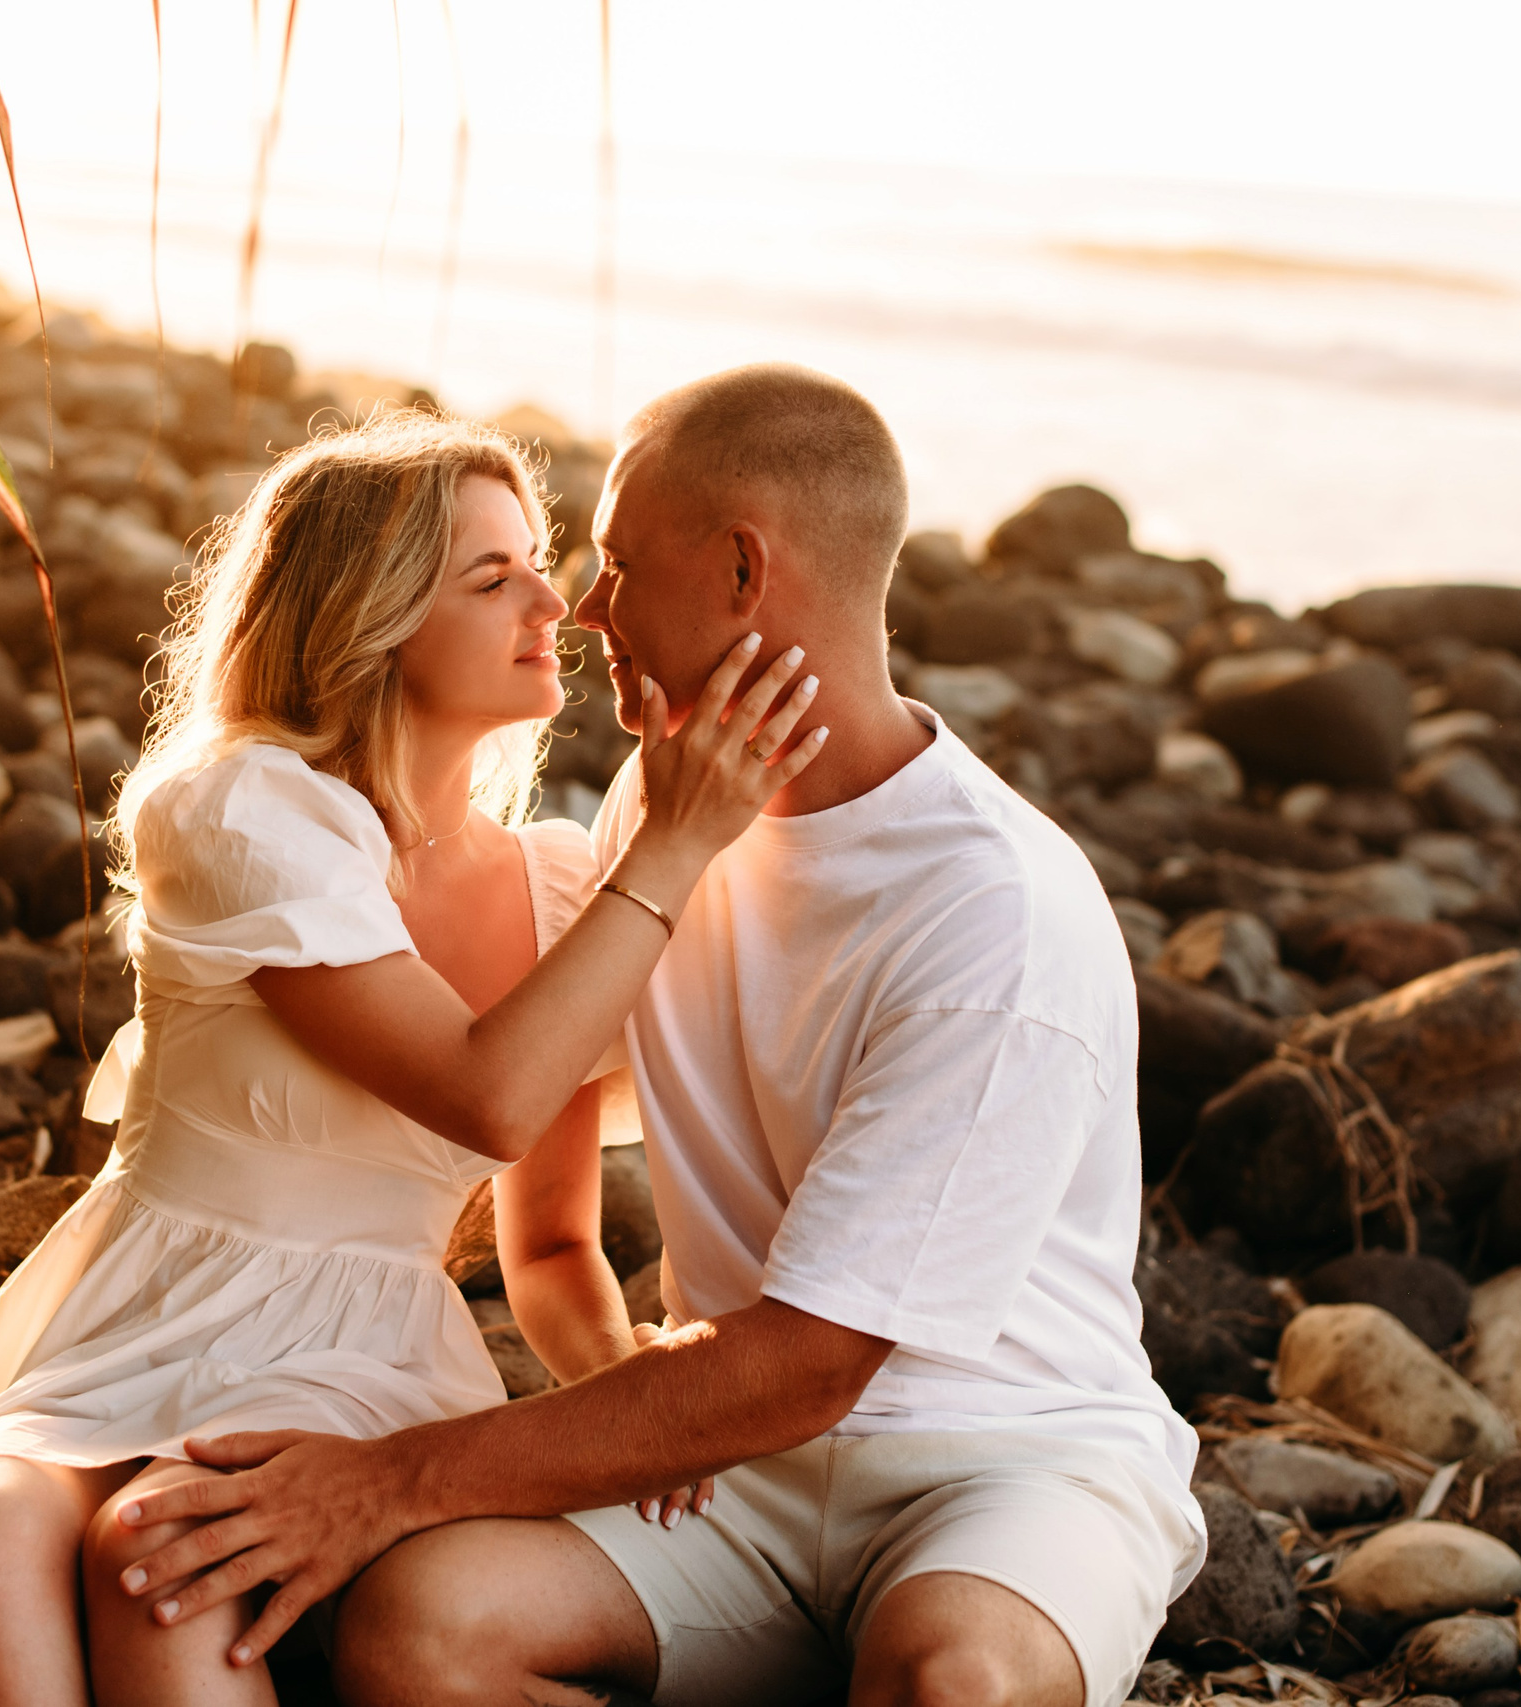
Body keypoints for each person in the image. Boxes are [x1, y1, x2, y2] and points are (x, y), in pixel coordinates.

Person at [99, 365, 1209, 1707]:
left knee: (950, 1681)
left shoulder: (990, 914)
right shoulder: (660, 809)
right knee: (420, 1631)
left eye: (619, 563)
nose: (585, 610)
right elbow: (535, 1102)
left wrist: (383, 1480)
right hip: (730, 1474)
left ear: (744, 570)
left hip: (1000, 1465)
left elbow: (807, 1363)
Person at [0, 408, 827, 1707]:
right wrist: (679, 845)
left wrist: (623, 1392)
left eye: (542, 560)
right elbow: (485, 1092)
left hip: (364, 1345)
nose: (563, 602)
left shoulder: (566, 886)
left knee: (168, 1578)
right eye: (496, 577)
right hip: (144, 1305)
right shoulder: (243, 808)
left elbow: (546, 1247)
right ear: (375, 617)